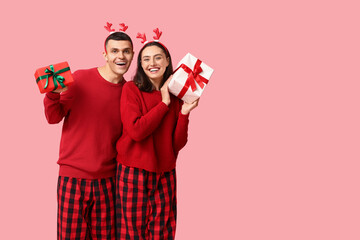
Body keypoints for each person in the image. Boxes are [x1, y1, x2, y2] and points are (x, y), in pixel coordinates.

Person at [43, 23, 134, 239]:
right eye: (114, 51)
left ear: (132, 56)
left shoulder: (130, 92)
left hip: (109, 181)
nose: (120, 56)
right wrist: (53, 94)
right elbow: (53, 117)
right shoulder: (80, 79)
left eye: (126, 51)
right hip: (72, 178)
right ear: (105, 54)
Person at [115, 29, 199, 240]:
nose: (152, 63)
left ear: (167, 60)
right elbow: (136, 131)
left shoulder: (177, 94)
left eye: (158, 57)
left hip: (165, 173)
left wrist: (184, 113)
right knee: (131, 232)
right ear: (141, 65)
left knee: (162, 231)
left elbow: (177, 144)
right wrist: (163, 104)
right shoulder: (131, 90)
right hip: (133, 172)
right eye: (146, 59)